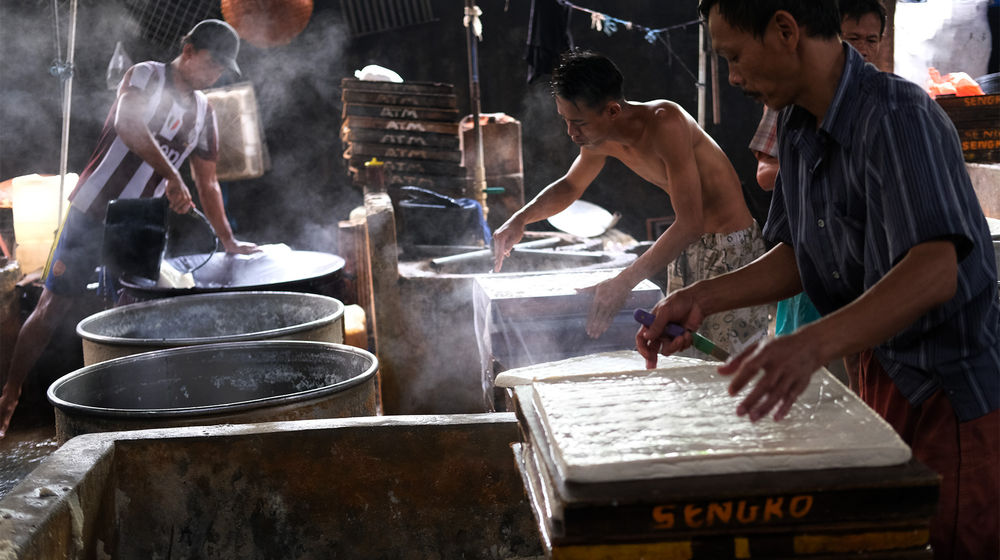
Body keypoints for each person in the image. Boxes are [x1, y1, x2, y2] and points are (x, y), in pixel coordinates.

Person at [639, 1, 999, 558]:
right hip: (882, 370)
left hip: (948, 393)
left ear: (785, 30)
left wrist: (808, 345)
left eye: (735, 56)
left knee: (946, 543)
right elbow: (799, 253)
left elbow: (933, 271)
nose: (732, 76)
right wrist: (700, 297)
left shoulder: (897, 116)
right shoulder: (796, 123)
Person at [0, 19, 258, 438]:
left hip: (139, 223)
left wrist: (228, 241)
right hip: (94, 206)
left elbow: (207, 182)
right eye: (211, 64)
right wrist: (172, 176)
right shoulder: (146, 75)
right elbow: (128, 125)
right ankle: (9, 394)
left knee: (132, 312)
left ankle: (119, 414)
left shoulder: (204, 112)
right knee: (53, 306)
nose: (214, 76)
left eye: (221, 71)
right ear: (188, 49)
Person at [492, 50, 770, 353]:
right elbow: (571, 186)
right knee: (687, 357)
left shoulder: (666, 123)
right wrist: (519, 218)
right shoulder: (598, 140)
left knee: (730, 360)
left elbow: (691, 223)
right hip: (685, 248)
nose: (572, 133)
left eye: (579, 123)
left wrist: (623, 283)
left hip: (731, 248)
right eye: (566, 121)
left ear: (612, 111)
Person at [750, 0, 887, 342]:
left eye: (871, 40)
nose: (863, 49)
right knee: (810, 353)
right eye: (853, 37)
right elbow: (765, 173)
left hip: (864, 269)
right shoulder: (788, 104)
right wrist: (817, 171)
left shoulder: (890, 105)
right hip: (812, 248)